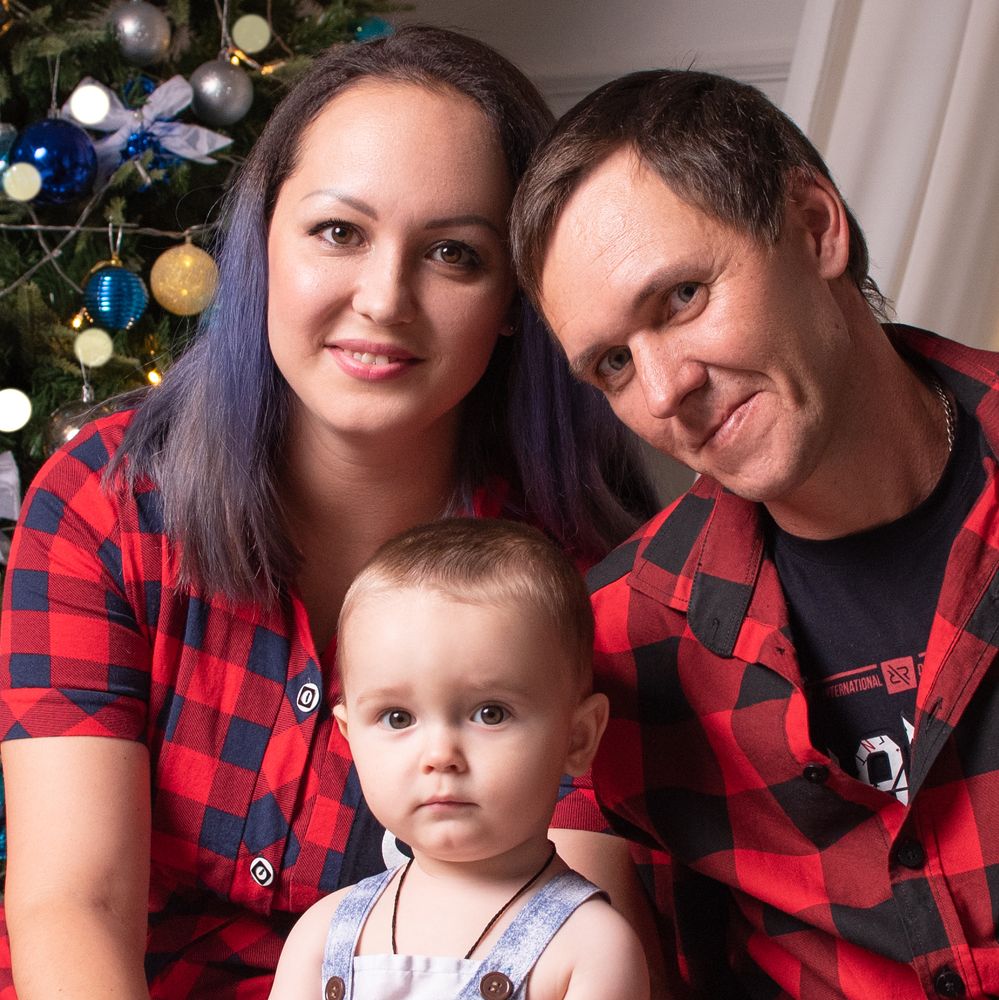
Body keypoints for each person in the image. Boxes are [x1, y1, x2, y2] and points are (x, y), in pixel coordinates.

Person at [0, 28, 661, 1000]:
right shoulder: (106, 499)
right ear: (264, 242)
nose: (384, 299)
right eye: (339, 233)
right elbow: (74, 902)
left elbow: (559, 933)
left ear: (516, 297)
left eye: (453, 253)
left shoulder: (583, 567)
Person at [510, 67, 999, 999]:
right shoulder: (614, 643)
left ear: (814, 227)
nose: (664, 392)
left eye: (681, 297)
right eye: (612, 364)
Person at [268, 518, 651, 1000]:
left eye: (491, 713)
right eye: (397, 718)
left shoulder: (589, 948)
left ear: (577, 738)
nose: (440, 755)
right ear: (350, 739)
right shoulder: (323, 937)